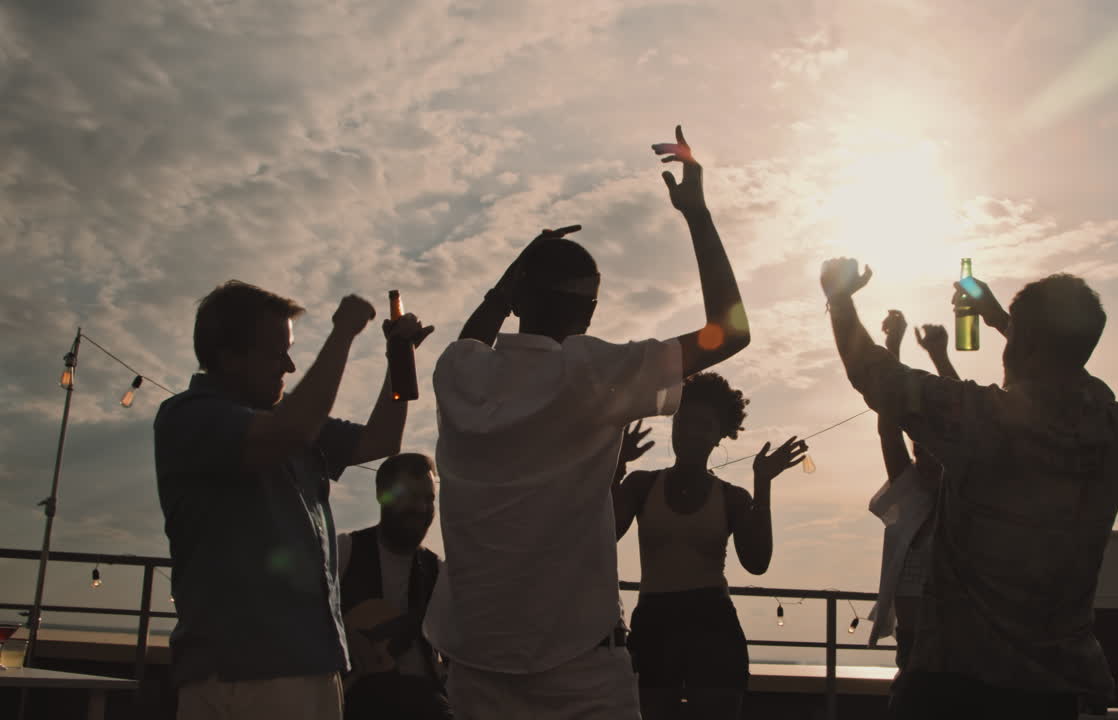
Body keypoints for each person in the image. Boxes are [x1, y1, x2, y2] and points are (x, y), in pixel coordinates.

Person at [427, 125, 751, 720]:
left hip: (471, 664)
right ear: (590, 311)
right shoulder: (590, 374)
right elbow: (731, 332)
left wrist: (508, 282)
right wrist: (697, 214)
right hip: (574, 667)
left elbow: (472, 335)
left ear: (519, 299)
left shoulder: (458, 375)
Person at [820, 260, 1118, 720]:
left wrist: (839, 297)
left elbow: (874, 375)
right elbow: (1067, 366)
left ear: (1024, 347)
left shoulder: (987, 422)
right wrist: (1000, 320)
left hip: (956, 684)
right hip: (1058, 690)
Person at [153, 280, 431, 720]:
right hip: (244, 674)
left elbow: (381, 440)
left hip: (309, 667)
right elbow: (290, 432)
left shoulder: (294, 423)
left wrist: (400, 358)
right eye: (277, 352)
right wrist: (343, 332)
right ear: (229, 357)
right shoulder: (189, 418)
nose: (289, 365)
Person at [612, 373, 806, 720]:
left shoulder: (732, 498)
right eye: (683, 421)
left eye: (703, 425)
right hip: (655, 626)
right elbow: (603, 533)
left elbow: (757, 561)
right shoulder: (641, 485)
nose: (689, 432)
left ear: (721, 435)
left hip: (713, 627)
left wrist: (763, 484)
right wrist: (616, 466)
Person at [865, 313, 955, 680]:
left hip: (957, 640)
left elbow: (963, 417)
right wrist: (893, 346)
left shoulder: (967, 493)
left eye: (936, 452)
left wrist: (939, 355)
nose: (927, 459)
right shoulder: (911, 493)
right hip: (912, 638)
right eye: (921, 451)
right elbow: (889, 430)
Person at [337, 452, 451, 719]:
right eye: (411, 496)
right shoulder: (344, 552)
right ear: (382, 496)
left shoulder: (439, 573)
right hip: (357, 700)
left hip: (426, 703)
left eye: (429, 499)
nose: (422, 508)